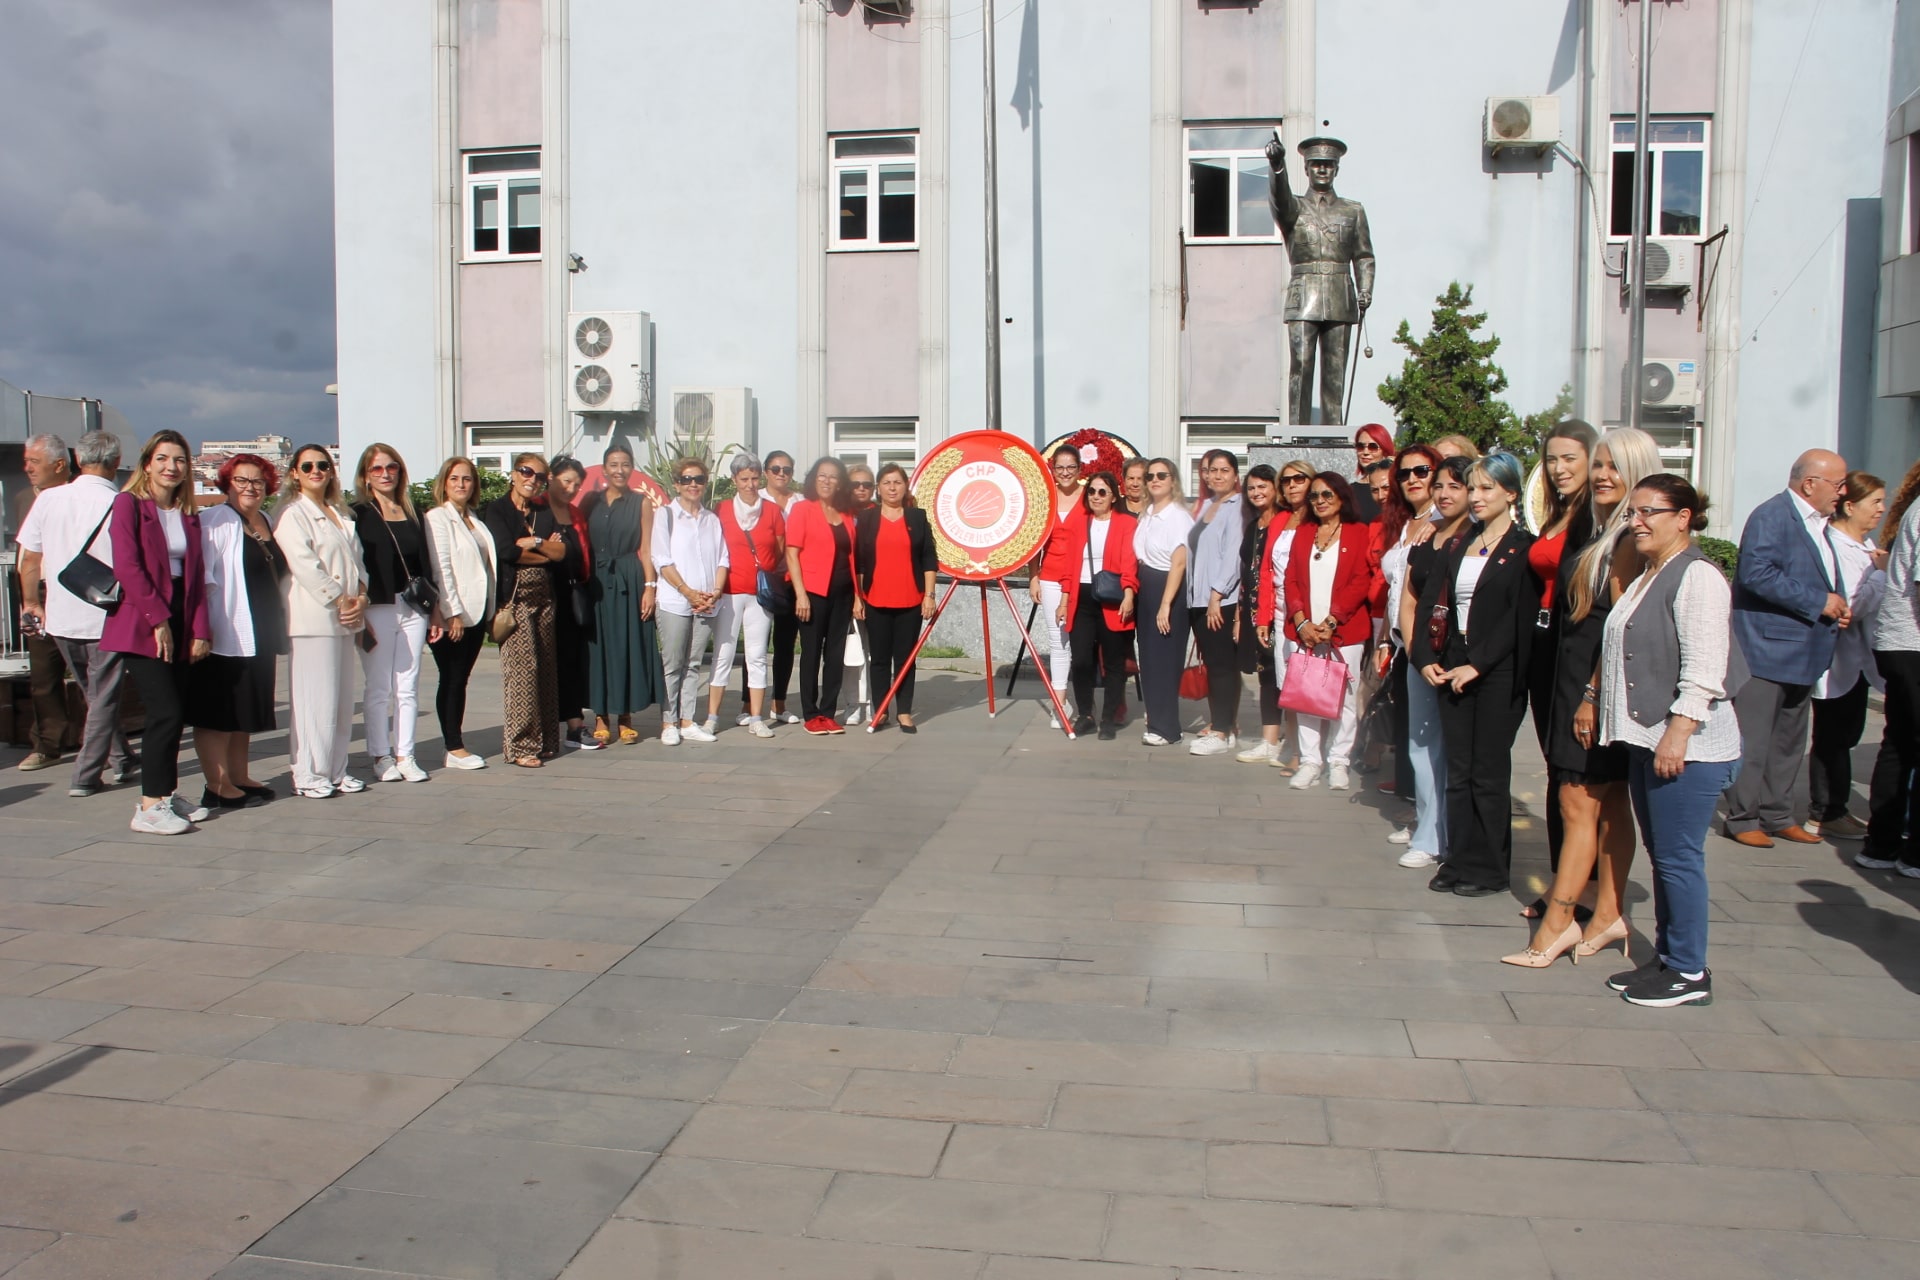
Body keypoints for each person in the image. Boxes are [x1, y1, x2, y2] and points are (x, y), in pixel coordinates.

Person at [1509, 426, 1659, 962]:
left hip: (1591, 682)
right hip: (1579, 675)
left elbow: (1618, 624)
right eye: (1598, 464)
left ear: (1637, 471)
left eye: (1613, 466)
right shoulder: (1602, 528)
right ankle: (1608, 913)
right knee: (1609, 800)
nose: (1601, 475)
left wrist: (1592, 695)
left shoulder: (1625, 537)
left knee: (1577, 800)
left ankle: (1559, 922)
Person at [1596, 476, 1739, 1006]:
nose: (1636, 522)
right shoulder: (1649, 573)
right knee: (1663, 856)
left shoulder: (1697, 576)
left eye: (1648, 512)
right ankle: (1670, 957)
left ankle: (1690, 972)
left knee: (1679, 858)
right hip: (1648, 740)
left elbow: (1705, 670)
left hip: (1687, 747)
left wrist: (1677, 736)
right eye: (1632, 513)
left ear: (1683, 518)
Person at [1413, 450, 1539, 897]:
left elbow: (1516, 617)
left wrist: (1479, 663)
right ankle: (1458, 858)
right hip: (1453, 660)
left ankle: (1489, 868)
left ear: (1511, 493)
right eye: (1473, 488)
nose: (1477, 496)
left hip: (1497, 670)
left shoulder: (1523, 548)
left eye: (1488, 488)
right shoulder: (1460, 543)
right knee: (1459, 771)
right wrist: (1424, 656)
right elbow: (1431, 600)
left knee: (1488, 772)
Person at [1724, 448, 1850, 848]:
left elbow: (1819, 575)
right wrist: (1819, 602)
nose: (1843, 492)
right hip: (1767, 651)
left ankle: (1777, 815)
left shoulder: (1820, 524)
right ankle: (1743, 817)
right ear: (1810, 484)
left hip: (1804, 653)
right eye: (1838, 484)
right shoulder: (1773, 515)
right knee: (1754, 741)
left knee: (1789, 744)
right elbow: (1756, 574)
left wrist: (1838, 606)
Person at [103, 430, 212, 834]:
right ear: (147, 463)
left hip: (181, 612)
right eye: (163, 459)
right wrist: (157, 618)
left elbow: (196, 576)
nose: (172, 467)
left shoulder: (187, 513)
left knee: (176, 710)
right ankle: (149, 806)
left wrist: (199, 628)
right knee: (164, 710)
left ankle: (166, 793)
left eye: (180, 460)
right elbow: (127, 565)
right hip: (143, 617)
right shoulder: (128, 504)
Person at [15, 430, 135, 797]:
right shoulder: (123, 502)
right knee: (103, 697)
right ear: (116, 462)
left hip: (61, 613)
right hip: (107, 612)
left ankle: (122, 757)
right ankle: (86, 774)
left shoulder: (49, 499)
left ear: (77, 460)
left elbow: (30, 559)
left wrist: (31, 603)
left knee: (93, 694)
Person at [189, 453, 288, 809]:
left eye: (258, 481)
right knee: (218, 712)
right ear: (228, 483)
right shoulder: (214, 520)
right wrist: (201, 630)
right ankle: (216, 785)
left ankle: (239, 776)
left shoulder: (266, 519)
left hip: (259, 629)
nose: (250, 487)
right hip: (224, 631)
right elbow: (201, 579)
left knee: (244, 709)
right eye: (242, 480)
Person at [1392, 453, 1474, 868]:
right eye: (1438, 485)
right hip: (1421, 657)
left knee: (1455, 751)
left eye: (1454, 486)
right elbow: (1409, 599)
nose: (1443, 493)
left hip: (1463, 660)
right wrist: (1416, 653)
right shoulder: (1427, 537)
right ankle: (1427, 830)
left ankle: (1451, 833)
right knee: (1421, 747)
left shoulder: (1480, 538)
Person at [1526, 421, 1599, 871]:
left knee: (1576, 778)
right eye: (1552, 459)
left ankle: (1579, 887)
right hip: (1544, 650)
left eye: (1570, 458)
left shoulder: (1594, 519)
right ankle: (1566, 879)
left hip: (1575, 653)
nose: (1559, 468)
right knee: (1556, 768)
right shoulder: (1556, 513)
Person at [277, 444, 370, 798]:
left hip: (346, 617)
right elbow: (305, 565)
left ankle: (336, 769)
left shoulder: (338, 512)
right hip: (313, 619)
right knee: (314, 701)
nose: (316, 471)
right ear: (295, 473)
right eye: (307, 466)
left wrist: (361, 597)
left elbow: (358, 564)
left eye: (322, 465)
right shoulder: (292, 513)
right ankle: (309, 773)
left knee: (341, 702)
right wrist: (341, 598)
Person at [1280, 473, 1378, 789]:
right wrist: (1301, 622)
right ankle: (1311, 761)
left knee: (1345, 699)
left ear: (1341, 497)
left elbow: (1360, 581)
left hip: (1344, 630)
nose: (1320, 501)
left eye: (1327, 495)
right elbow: (1291, 579)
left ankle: (1339, 760)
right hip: (1305, 630)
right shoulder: (1303, 532)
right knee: (1306, 697)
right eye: (1314, 496)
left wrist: (1333, 620)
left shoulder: (1358, 532)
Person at [1805, 472, 1886, 839]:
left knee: (1847, 733)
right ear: (1850, 506)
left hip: (1859, 660)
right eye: (1875, 502)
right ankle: (1825, 810)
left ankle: (1835, 806)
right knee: (1833, 736)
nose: (1881, 509)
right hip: (1838, 657)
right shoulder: (1835, 546)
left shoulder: (1864, 546)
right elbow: (1852, 606)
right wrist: (1880, 576)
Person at [1369, 444, 1441, 843]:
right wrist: (1385, 639)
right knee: (1412, 738)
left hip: (1428, 644)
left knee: (1428, 741)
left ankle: (1431, 829)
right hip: (1400, 640)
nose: (1412, 479)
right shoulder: (1405, 524)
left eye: (1421, 471)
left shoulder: (1442, 521)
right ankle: (1421, 817)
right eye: (1404, 473)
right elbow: (1396, 589)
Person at [352, 444, 433, 783]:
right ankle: (380, 755)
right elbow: (353, 564)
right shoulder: (358, 514)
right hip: (377, 607)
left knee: (408, 686)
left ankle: (406, 754)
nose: (385, 474)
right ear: (365, 476)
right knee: (378, 687)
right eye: (377, 469)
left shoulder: (413, 513)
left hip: (412, 608)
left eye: (391, 467)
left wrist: (435, 612)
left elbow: (425, 564)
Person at [484, 452, 565, 768]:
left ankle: (545, 741)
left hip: (545, 598)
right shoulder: (498, 509)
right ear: (514, 474)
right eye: (527, 472)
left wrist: (535, 544)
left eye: (540, 476)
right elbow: (506, 551)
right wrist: (544, 552)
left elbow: (561, 552)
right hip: (514, 599)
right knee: (522, 669)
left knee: (545, 667)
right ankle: (521, 746)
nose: (533, 480)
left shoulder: (543, 511)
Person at [1861, 461, 1920, 878]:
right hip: (1912, 644)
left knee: (1900, 743)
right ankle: (1913, 853)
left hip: (1901, 643)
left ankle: (1881, 846)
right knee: (1904, 744)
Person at [580, 443, 661, 746]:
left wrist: (650, 587)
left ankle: (625, 717)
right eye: (613, 464)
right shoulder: (590, 501)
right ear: (604, 469)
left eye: (625, 464)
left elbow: (647, 548)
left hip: (629, 576)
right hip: (596, 580)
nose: (619, 470)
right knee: (598, 647)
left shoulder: (641, 502)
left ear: (632, 469)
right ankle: (600, 716)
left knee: (626, 645)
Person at [424, 456, 497, 768]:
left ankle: (455, 742)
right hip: (454, 614)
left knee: (461, 679)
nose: (461, 484)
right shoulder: (437, 518)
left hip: (477, 611)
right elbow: (441, 568)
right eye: (454, 478)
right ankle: (453, 747)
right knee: (452, 678)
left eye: (467, 479)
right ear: (444, 482)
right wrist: (451, 612)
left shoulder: (474, 520)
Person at [653, 458, 731, 743]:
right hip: (675, 601)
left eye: (698, 479)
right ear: (676, 484)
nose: (693, 484)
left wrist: (716, 591)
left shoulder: (711, 519)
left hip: (707, 602)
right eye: (686, 479)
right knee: (673, 663)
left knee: (694, 663)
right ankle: (669, 722)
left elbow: (722, 558)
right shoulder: (666, 515)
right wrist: (688, 592)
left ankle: (687, 720)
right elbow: (662, 560)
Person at [855, 463, 938, 731]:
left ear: (905, 486)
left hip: (910, 600)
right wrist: (858, 597)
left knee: (905, 659)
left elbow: (929, 559)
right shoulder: (867, 519)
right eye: (887, 483)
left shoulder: (917, 517)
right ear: (878, 489)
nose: (892, 488)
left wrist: (929, 596)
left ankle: (904, 711)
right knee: (879, 659)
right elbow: (859, 563)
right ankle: (881, 710)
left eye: (897, 482)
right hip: (876, 599)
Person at [1060, 470, 1139, 740]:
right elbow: (1068, 566)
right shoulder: (1079, 523)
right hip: (1081, 598)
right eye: (1091, 491)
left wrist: (1129, 594)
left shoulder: (1126, 524)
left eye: (1102, 491)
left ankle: (1108, 718)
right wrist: (1063, 601)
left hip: (1111, 597)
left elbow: (1129, 562)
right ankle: (1086, 715)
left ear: (1113, 496)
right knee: (1081, 660)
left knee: (1114, 663)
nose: (1096, 496)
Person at [1250, 460, 1317, 770]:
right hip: (1279, 612)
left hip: (1309, 613)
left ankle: (1312, 752)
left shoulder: (1319, 519)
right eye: (1286, 480)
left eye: (1299, 479)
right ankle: (1294, 747)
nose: (1292, 485)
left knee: (1310, 685)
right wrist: (1263, 618)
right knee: (1286, 684)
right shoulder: (1281, 520)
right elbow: (1266, 571)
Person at [786, 458, 858, 735]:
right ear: (814, 480)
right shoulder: (802, 509)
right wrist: (800, 595)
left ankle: (828, 712)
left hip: (843, 593)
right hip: (813, 592)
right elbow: (792, 554)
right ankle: (811, 713)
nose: (827, 481)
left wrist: (857, 596)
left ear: (840, 483)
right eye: (822, 476)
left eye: (833, 476)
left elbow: (851, 556)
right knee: (811, 653)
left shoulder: (846, 514)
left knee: (835, 654)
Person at [716, 452, 783, 739]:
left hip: (759, 593)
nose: (750, 484)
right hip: (729, 592)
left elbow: (779, 548)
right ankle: (712, 718)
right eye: (744, 479)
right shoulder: (721, 510)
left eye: (755, 478)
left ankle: (756, 717)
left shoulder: (772, 511)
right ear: (734, 480)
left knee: (756, 655)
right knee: (723, 654)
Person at [15, 433, 71, 771]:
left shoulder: (78, 497)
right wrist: (28, 599)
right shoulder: (25, 498)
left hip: (72, 592)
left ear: (59, 465)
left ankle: (108, 745)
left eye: (34, 462)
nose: (27, 468)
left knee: (89, 673)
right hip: (36, 595)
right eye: (27, 461)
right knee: (43, 675)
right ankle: (47, 744)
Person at [1186, 450, 1247, 755]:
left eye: (1224, 470)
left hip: (1220, 600)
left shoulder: (1238, 507)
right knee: (1214, 664)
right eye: (1212, 470)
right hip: (1198, 598)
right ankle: (1224, 724)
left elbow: (1234, 555)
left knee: (1222, 666)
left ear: (1236, 475)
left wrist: (1216, 595)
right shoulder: (1207, 505)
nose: (1217, 476)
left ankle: (1221, 732)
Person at [1133, 459, 1194, 745]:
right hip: (1146, 584)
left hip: (1168, 587)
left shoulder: (1178, 516)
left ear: (1173, 480)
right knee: (1149, 658)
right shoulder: (1147, 513)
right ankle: (1155, 720)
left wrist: (1166, 603)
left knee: (1165, 659)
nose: (1154, 480)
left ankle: (1168, 728)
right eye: (1149, 476)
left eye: (1161, 475)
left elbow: (1179, 562)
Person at [1029, 444, 1088, 728]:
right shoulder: (1046, 498)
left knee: (1084, 642)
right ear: (1052, 469)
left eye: (1070, 467)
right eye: (1060, 467)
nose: (1065, 473)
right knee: (1059, 640)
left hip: (1083, 577)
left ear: (1079, 469)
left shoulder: (1090, 496)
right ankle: (1060, 703)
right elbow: (1034, 540)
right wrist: (1034, 576)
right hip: (1051, 576)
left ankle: (1089, 705)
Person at [547, 455, 599, 751]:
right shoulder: (537, 509)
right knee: (545, 663)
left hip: (572, 596)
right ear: (551, 478)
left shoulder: (576, 514)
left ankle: (575, 725)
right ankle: (544, 727)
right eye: (566, 481)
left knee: (572, 662)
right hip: (543, 596)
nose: (571, 489)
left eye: (577, 485)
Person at [1232, 467, 1281, 762]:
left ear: (1275, 488)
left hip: (1278, 609)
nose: (1256, 493)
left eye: (1262, 486)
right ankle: (1270, 740)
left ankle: (1286, 741)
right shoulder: (1253, 525)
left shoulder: (1285, 522)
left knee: (1279, 673)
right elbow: (1246, 572)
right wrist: (1239, 617)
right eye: (1251, 488)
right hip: (1252, 609)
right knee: (1265, 673)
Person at [763, 450, 804, 724]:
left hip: (791, 580)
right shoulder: (757, 498)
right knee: (757, 644)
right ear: (766, 472)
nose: (781, 474)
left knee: (785, 644)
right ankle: (748, 704)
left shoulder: (800, 501)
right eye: (776, 469)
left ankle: (779, 703)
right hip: (763, 579)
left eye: (786, 470)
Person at [1350, 423, 1395, 522]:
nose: (1365, 452)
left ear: (1385, 450)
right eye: (1360, 446)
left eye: (1373, 447)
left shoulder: (1397, 485)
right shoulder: (1349, 492)